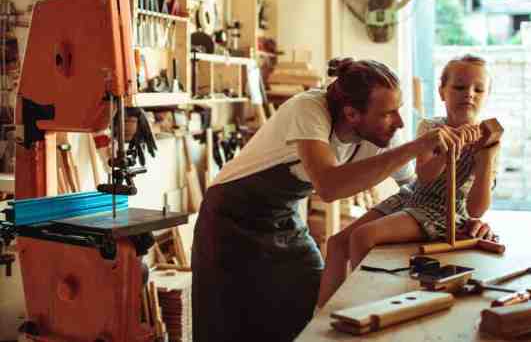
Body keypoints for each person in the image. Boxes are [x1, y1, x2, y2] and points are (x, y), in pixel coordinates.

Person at [191, 58, 477, 342]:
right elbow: (329, 185)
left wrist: (467, 221)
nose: (399, 122)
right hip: (229, 220)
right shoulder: (307, 108)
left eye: (399, 110)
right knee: (228, 325)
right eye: (388, 113)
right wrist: (416, 148)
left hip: (281, 219)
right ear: (352, 114)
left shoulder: (381, 135)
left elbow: (416, 192)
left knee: (309, 308)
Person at [317, 55, 501, 308]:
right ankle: (323, 318)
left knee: (362, 237)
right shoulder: (431, 127)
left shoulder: (488, 141)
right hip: (412, 196)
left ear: (487, 95)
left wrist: (487, 157)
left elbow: (476, 209)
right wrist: (447, 150)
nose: (469, 94)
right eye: (459, 87)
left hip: (442, 212)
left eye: (478, 89)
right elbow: (424, 176)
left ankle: (364, 310)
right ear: (442, 92)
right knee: (337, 243)